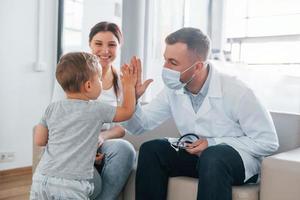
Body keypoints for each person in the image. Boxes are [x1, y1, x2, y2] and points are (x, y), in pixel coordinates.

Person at [122, 27, 279, 200]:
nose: (165, 68)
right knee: (152, 149)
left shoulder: (237, 91)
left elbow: (268, 142)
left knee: (213, 156)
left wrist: (213, 143)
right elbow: (139, 127)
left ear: (197, 67)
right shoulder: (173, 90)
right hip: (196, 156)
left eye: (173, 63)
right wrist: (132, 100)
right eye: (165, 60)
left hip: (235, 160)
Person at [30, 52, 137, 200]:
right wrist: (129, 86)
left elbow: (40, 140)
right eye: (99, 79)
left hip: (41, 179)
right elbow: (127, 112)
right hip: (72, 186)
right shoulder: (96, 109)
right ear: (88, 85)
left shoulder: (52, 108)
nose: (101, 82)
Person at [88, 21, 151, 200]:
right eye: (98, 44)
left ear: (119, 46)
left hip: (102, 142)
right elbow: (62, 114)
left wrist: (101, 138)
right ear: (90, 44)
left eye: (112, 45)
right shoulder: (74, 73)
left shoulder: (122, 81)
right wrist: (85, 144)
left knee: (125, 149)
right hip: (76, 140)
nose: (105, 50)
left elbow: (122, 126)